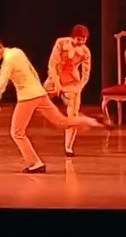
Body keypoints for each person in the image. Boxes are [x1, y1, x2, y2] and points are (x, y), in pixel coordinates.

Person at [0, 37, 102, 173]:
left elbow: (2, 82)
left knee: (17, 132)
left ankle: (35, 163)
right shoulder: (17, 52)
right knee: (61, 121)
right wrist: (40, 88)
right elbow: (32, 71)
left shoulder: (8, 61)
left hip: (27, 97)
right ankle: (91, 121)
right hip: (39, 93)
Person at [44, 24, 93, 157]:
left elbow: (86, 72)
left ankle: (68, 147)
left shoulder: (85, 52)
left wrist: (79, 87)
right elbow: (52, 64)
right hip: (54, 79)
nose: (81, 42)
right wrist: (56, 83)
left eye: (84, 40)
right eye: (79, 39)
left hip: (72, 82)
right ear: (73, 37)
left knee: (73, 115)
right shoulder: (61, 43)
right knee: (38, 98)